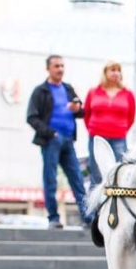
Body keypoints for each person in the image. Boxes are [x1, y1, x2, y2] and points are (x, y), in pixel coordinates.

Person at [26, 54, 90, 229]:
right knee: (51, 179)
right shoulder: (41, 91)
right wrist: (49, 133)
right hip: (51, 140)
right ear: (48, 68)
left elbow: (81, 112)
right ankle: (53, 217)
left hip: (68, 140)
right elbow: (31, 117)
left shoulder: (68, 88)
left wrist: (78, 108)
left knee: (77, 178)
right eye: (56, 66)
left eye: (62, 66)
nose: (60, 69)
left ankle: (87, 217)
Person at [84, 60, 136, 186]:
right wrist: (94, 129)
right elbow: (86, 114)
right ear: (105, 72)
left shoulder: (127, 94)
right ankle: (95, 205)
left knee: (118, 172)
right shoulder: (93, 92)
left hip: (119, 138)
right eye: (113, 70)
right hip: (97, 137)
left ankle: (115, 203)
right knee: (96, 174)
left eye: (118, 70)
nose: (116, 73)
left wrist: (120, 129)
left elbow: (131, 117)